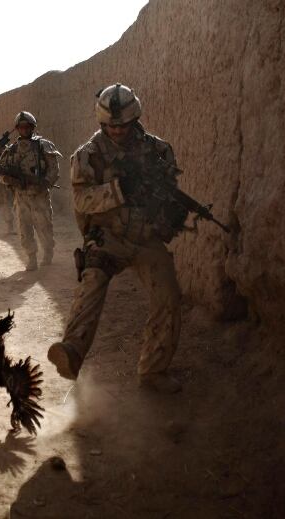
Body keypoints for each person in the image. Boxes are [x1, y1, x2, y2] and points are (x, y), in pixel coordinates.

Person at [47, 83, 183, 394]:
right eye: (111, 125)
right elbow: (81, 200)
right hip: (108, 236)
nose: (117, 131)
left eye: (122, 125)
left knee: (169, 296)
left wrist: (169, 212)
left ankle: (153, 371)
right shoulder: (87, 156)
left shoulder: (159, 151)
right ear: (101, 122)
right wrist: (119, 190)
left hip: (145, 238)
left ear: (135, 119)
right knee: (92, 283)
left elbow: (169, 190)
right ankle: (72, 351)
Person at [0, 111, 61, 271]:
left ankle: (48, 252)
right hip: (21, 196)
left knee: (44, 227)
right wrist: (10, 180)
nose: (24, 129)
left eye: (27, 127)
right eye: (21, 127)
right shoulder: (11, 150)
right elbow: (0, 173)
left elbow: (54, 169)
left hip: (39, 195)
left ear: (32, 127)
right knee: (24, 229)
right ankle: (31, 258)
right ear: (17, 128)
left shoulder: (43, 145)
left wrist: (44, 183)